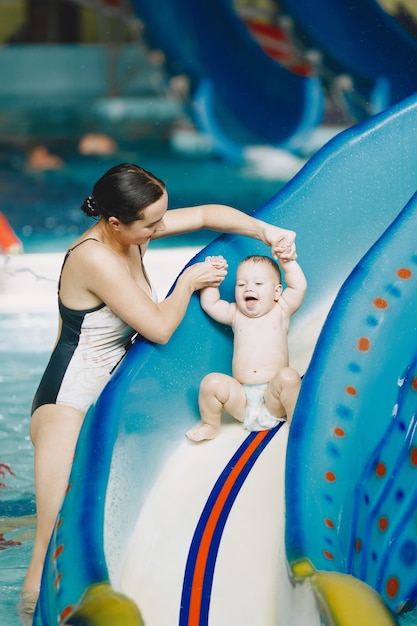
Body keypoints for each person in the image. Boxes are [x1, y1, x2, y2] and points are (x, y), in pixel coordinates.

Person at [20, 162, 297, 611]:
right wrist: (188, 282)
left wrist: (269, 232)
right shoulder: (93, 257)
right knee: (45, 551)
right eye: (150, 224)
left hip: (105, 391)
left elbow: (208, 214)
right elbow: (158, 328)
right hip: (66, 406)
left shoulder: (129, 230)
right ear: (115, 223)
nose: (158, 229)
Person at [186, 251, 307, 442]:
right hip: (241, 400)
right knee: (211, 383)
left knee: (289, 377)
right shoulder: (235, 313)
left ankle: (296, 422)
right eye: (241, 284)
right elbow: (211, 304)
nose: (248, 288)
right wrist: (213, 275)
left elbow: (299, 287)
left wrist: (287, 261)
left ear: (276, 292)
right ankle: (210, 425)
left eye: (258, 284)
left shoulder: (281, 310)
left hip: (274, 397)